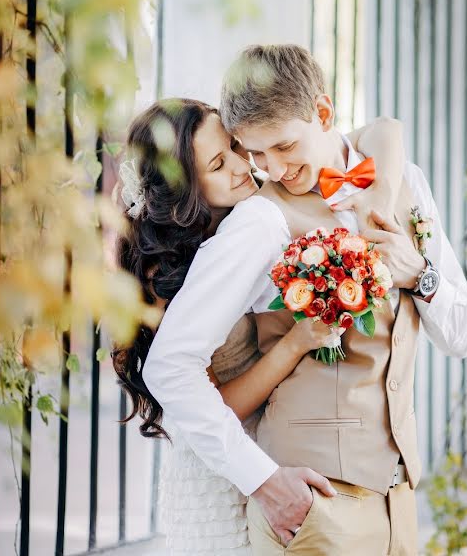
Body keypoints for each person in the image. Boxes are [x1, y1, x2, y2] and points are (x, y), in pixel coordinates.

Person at [142, 45, 467, 555]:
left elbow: (464, 335)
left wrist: (420, 274)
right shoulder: (261, 219)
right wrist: (262, 481)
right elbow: (169, 367)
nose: (270, 170)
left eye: (282, 146)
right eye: (254, 154)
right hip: (313, 508)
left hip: (399, 498)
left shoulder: (405, 184)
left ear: (322, 113)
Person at [114, 98, 374, 554]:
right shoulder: (167, 278)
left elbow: (378, 138)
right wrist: (294, 344)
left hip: (267, 448)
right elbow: (210, 400)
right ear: (185, 192)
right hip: (221, 468)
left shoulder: (246, 220)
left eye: (235, 147)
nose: (243, 166)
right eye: (218, 164)